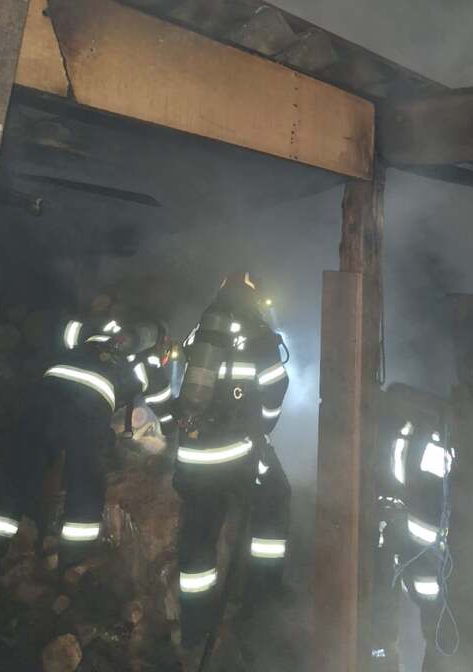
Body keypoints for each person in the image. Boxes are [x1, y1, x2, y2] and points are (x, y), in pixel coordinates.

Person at [0, 314, 174, 593]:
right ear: (157, 343)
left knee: (15, 481)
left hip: (43, 397)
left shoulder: (100, 333)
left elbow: (65, 331)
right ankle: (71, 570)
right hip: (86, 412)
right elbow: (163, 405)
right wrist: (171, 435)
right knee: (85, 487)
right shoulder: (148, 362)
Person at [173, 272, 291, 661]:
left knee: (198, 537)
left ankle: (194, 627)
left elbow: (186, 387)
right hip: (238, 452)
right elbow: (275, 387)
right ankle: (263, 595)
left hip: (193, 455)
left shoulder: (204, 328)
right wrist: (264, 428)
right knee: (276, 497)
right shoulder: (258, 332)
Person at [371, 384, 457, 672]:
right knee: (427, 631)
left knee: (412, 628)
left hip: (406, 552)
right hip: (419, 562)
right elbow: (429, 513)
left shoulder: (404, 432)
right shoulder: (433, 443)